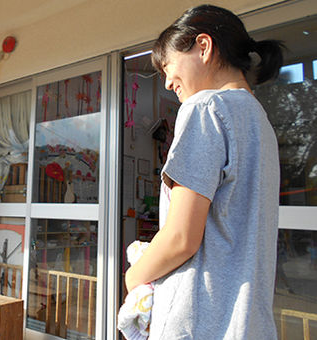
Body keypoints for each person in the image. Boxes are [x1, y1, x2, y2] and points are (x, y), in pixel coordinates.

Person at [125, 5, 283, 339]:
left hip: (197, 322)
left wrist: (133, 277)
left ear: (204, 47)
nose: (168, 83)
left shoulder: (205, 108)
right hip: (249, 324)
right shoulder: (260, 123)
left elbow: (181, 237)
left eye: (168, 67)